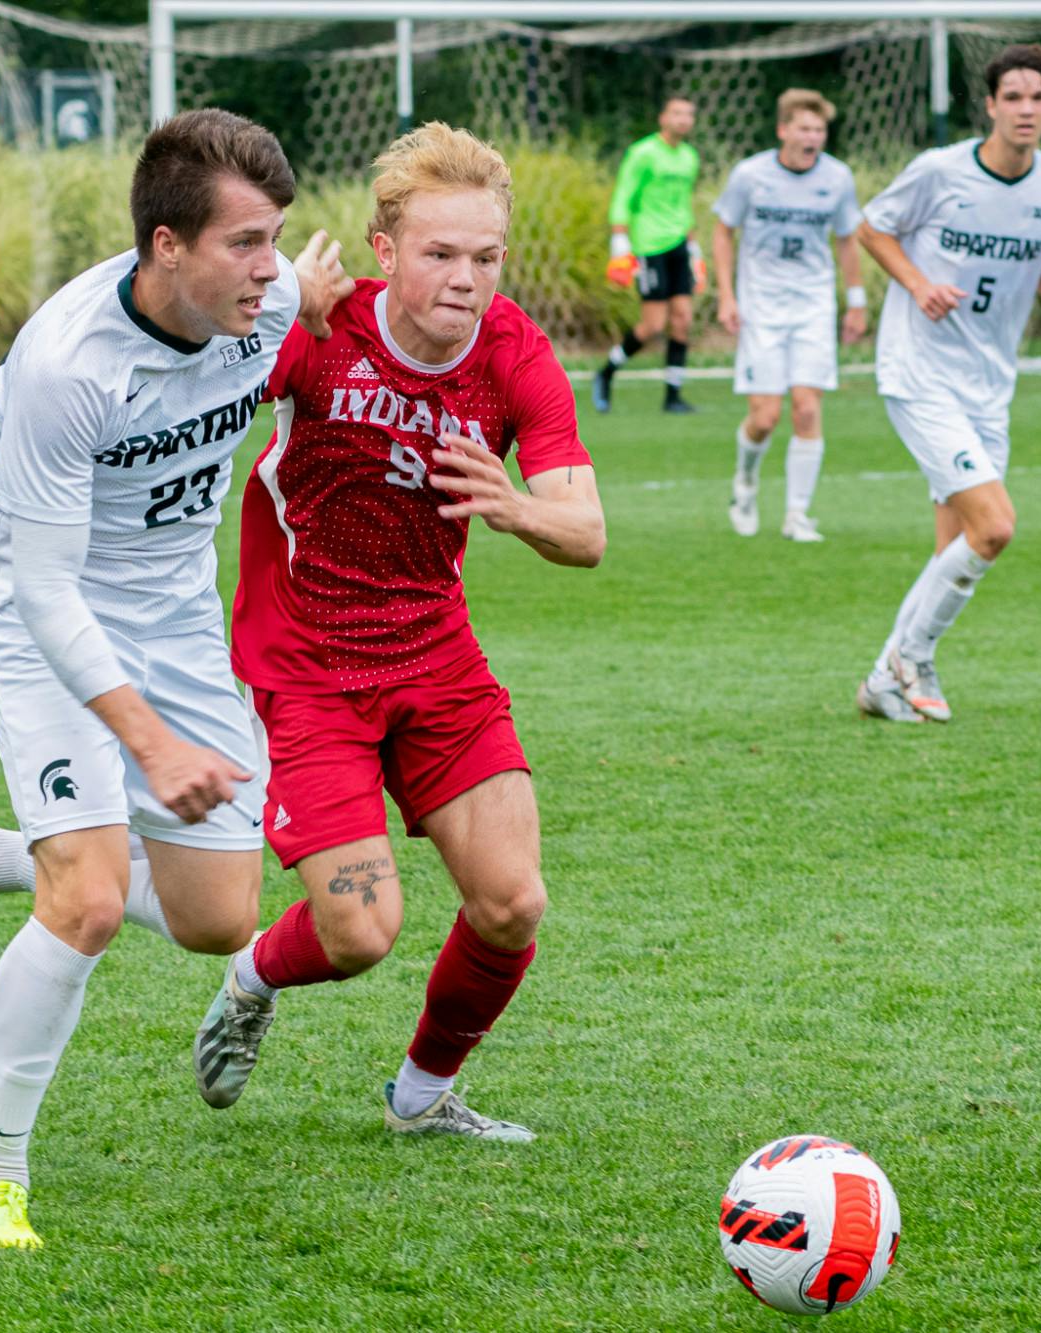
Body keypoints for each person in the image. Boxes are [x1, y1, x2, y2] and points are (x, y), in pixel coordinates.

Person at [0, 109, 350, 1251]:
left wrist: (321, 288)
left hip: (175, 619)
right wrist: (146, 742)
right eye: (244, 243)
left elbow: (299, 311)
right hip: (44, 614)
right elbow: (48, 592)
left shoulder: (270, 304)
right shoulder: (62, 364)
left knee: (218, 919)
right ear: (164, 246)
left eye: (276, 238)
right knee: (92, 898)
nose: (270, 268)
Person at [193, 123, 605, 1142]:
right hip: (306, 666)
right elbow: (186, 407)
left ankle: (421, 1095)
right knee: (362, 931)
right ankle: (252, 975)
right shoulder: (320, 325)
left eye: (484, 256)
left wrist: (511, 507)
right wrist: (273, 320)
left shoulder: (513, 355)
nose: (466, 279)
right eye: (439, 253)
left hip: (435, 656)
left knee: (512, 902)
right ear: (384, 249)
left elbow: (585, 533)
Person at [853, 44, 1041, 723]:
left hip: (990, 384)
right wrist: (919, 284)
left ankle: (882, 680)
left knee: (952, 549)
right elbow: (871, 226)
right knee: (994, 527)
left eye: (1039, 98)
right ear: (990, 105)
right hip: (919, 371)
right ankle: (916, 656)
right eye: (1013, 96)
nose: (1026, 109)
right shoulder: (941, 171)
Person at [711, 89, 868, 543]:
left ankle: (797, 514)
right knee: (764, 418)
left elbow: (846, 238)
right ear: (784, 130)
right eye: (804, 128)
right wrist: (727, 295)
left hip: (814, 306)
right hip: (761, 306)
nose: (812, 136)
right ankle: (744, 483)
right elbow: (724, 231)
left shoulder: (837, 178)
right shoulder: (751, 176)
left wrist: (855, 299)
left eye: (819, 130)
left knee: (806, 408)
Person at [594, 95, 704, 415]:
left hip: (679, 244)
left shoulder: (689, 157)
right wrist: (620, 244)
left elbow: (684, 203)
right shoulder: (643, 153)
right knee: (653, 325)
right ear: (662, 118)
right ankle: (607, 372)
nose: (683, 119)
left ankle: (673, 396)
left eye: (689, 114)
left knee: (683, 318)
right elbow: (624, 195)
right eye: (677, 113)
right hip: (649, 245)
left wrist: (694, 248)